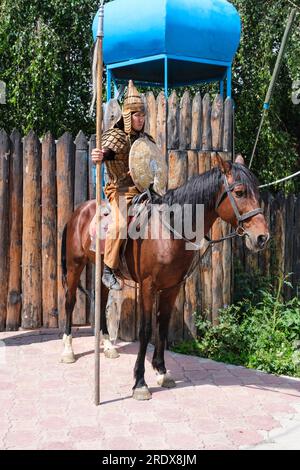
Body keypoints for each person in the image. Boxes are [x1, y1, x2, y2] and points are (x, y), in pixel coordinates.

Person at [91, 80, 154, 290]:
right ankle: (108, 268)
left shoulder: (147, 139)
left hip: (144, 189)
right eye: (137, 115)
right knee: (118, 225)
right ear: (128, 116)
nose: (140, 119)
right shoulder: (117, 136)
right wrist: (99, 155)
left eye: (142, 115)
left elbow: (153, 165)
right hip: (120, 190)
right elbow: (108, 153)